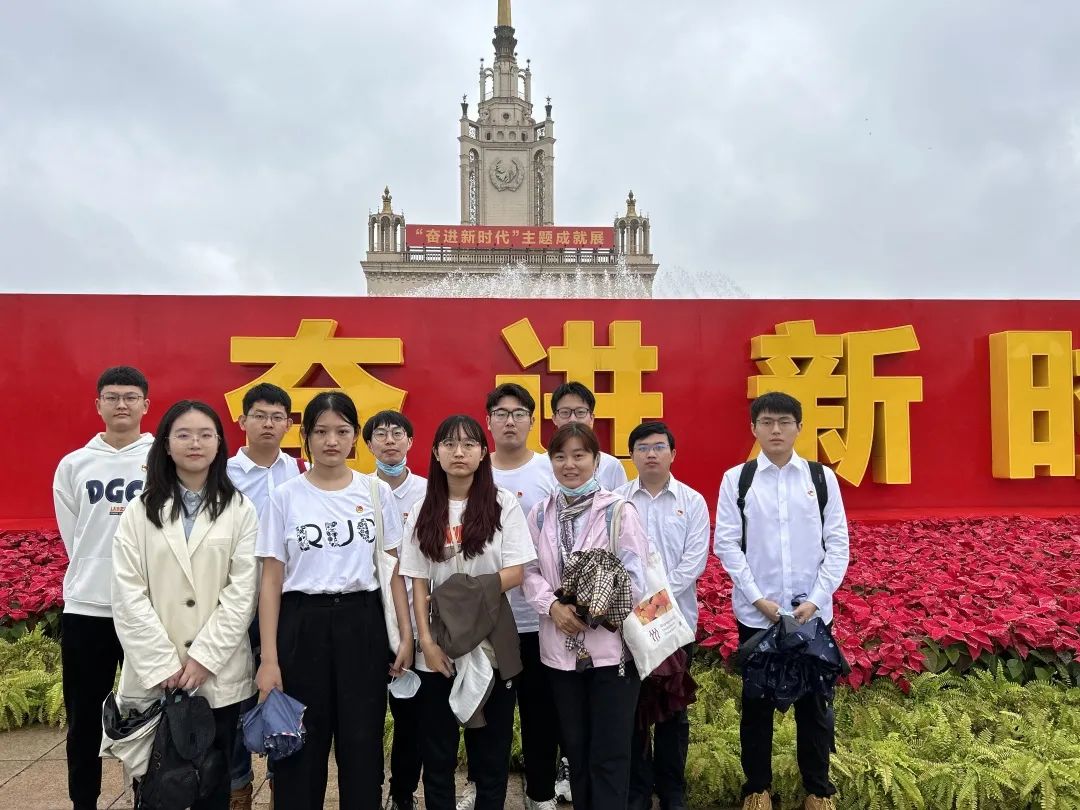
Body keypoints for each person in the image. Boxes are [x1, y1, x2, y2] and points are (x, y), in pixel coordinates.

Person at [255, 391, 413, 810]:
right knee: (300, 744)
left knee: (362, 742)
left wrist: (405, 635)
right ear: (305, 436)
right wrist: (269, 659)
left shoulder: (375, 492)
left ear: (355, 436)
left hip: (362, 623)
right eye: (321, 431)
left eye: (342, 431)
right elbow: (271, 581)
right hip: (302, 624)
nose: (331, 441)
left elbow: (392, 570)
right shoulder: (285, 496)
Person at [111, 400, 259, 810]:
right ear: (166, 444)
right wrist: (163, 664)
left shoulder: (240, 510)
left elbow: (242, 591)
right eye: (184, 435)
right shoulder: (139, 512)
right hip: (156, 675)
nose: (195, 443)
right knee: (158, 787)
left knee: (213, 782)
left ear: (219, 444)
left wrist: (205, 658)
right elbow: (127, 593)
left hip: (217, 673)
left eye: (205, 435)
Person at [714, 392, 850, 810]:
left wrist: (816, 599)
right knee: (756, 705)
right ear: (753, 428)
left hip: (812, 615)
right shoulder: (738, 479)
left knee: (815, 706)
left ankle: (817, 790)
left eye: (785, 422)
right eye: (767, 422)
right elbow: (727, 544)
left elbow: (838, 544)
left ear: (799, 427)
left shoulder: (820, 479)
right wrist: (758, 599)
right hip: (758, 616)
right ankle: (757, 788)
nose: (776, 430)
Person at [398, 415, 536, 810]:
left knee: (491, 752)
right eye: (450, 444)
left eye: (469, 444)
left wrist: (459, 596)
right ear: (436, 453)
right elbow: (418, 581)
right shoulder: (422, 508)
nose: (459, 452)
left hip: (492, 637)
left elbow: (516, 572)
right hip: (438, 643)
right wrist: (426, 643)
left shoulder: (502, 504)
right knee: (437, 753)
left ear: (482, 453)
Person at [523, 422, 649, 810]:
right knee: (575, 752)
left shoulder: (618, 511)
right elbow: (527, 571)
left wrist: (593, 605)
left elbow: (636, 577)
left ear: (596, 460)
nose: (570, 464)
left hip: (612, 654)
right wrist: (553, 607)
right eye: (560, 456)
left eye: (579, 455)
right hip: (560, 653)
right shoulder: (540, 515)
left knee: (609, 754)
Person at [52, 366, 152, 810]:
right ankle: (83, 801)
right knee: (84, 718)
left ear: (146, 404)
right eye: (112, 397)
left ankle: (149, 797)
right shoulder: (74, 464)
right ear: (98, 405)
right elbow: (73, 536)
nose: (122, 404)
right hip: (87, 608)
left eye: (130, 397)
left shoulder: (163, 459)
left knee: (148, 714)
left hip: (148, 609)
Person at [616, 421, 710, 810]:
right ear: (632, 456)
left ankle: (672, 790)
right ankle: (637, 790)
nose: (650, 454)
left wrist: (655, 604)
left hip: (675, 626)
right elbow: (613, 557)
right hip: (629, 627)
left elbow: (694, 561)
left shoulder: (693, 501)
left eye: (658, 447)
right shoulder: (617, 501)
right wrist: (641, 607)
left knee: (673, 711)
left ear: (673, 454)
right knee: (634, 711)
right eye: (642, 447)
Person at [225, 382, 301, 810]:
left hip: (287, 600)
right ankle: (238, 786)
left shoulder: (301, 472)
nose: (268, 424)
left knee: (281, 688)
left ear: (289, 424)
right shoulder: (224, 475)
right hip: (236, 600)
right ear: (242, 421)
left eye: (277, 417)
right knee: (235, 693)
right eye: (259, 416)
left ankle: (279, 781)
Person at [484, 383, 558, 810]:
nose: (509, 421)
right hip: (488, 617)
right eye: (501, 413)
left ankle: (540, 793)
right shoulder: (476, 469)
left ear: (532, 421)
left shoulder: (550, 469)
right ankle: (480, 787)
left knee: (540, 711)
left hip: (538, 616)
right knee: (486, 712)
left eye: (518, 413)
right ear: (489, 421)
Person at [363, 409, 428, 810]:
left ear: (410, 442)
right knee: (367, 714)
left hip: (418, 615)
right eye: (381, 434)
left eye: (397, 433)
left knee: (411, 716)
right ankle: (368, 791)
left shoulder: (428, 491)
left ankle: (402, 793)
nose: (390, 441)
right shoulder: (359, 491)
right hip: (372, 615)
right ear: (368, 445)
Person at [549, 382, 628, 491]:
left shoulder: (611, 466)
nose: (572, 419)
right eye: (565, 412)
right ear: (554, 419)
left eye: (580, 412)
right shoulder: (541, 465)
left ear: (591, 418)